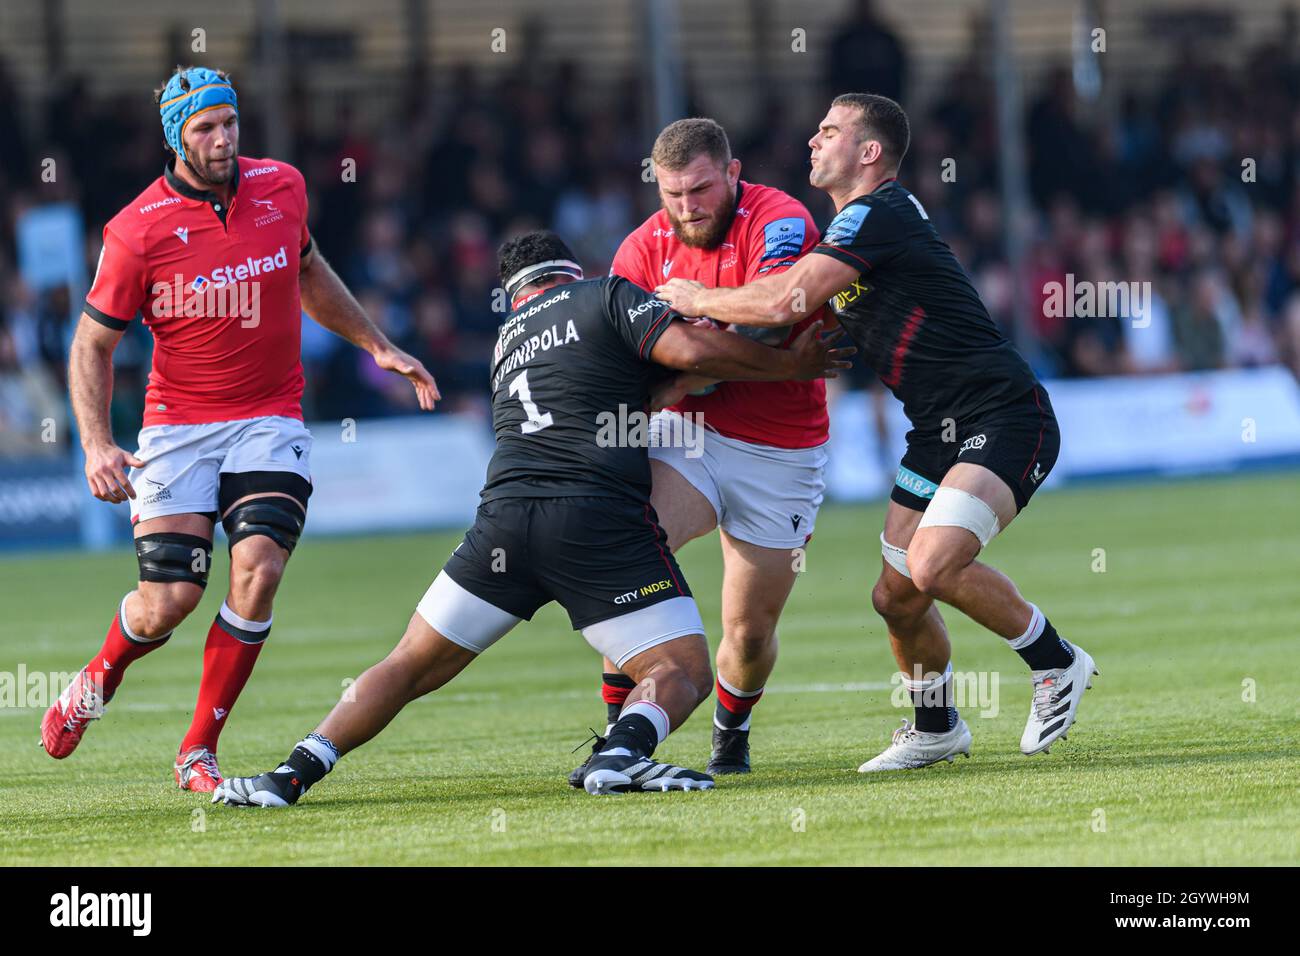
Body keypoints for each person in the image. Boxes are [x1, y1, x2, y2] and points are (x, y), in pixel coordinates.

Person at [211, 230, 853, 806]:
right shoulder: (604, 296)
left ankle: (289, 775)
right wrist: (787, 366)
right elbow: (686, 350)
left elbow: (635, 391)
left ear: (513, 293)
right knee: (681, 668)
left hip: (503, 525)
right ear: (570, 272)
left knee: (406, 665)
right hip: (594, 519)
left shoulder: (507, 343)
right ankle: (621, 755)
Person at [656, 94, 1098, 771]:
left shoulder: (877, 212)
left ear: (868, 153)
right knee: (896, 599)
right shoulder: (851, 234)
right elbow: (798, 314)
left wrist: (695, 299)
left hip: (1003, 415)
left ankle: (1055, 661)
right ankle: (936, 727)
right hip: (937, 433)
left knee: (932, 563)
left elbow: (784, 299)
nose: (812, 140)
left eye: (829, 131)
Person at [40, 66, 439, 792]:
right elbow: (91, 344)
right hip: (177, 428)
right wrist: (97, 443)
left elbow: (310, 273)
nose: (222, 139)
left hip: (269, 416)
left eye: (229, 123)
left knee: (259, 571)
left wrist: (377, 344)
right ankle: (98, 677)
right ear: (175, 138)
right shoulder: (135, 233)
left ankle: (198, 750)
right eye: (204, 129)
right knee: (170, 603)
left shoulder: (282, 186)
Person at [570, 118, 832, 782]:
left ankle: (731, 732)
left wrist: (695, 313)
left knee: (746, 632)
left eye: (701, 190)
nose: (688, 208)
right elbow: (626, 364)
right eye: (674, 194)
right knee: (628, 563)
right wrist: (686, 378)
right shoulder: (639, 250)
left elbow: (775, 321)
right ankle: (619, 741)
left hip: (781, 450)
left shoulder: (780, 220)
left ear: (733, 174)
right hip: (688, 436)